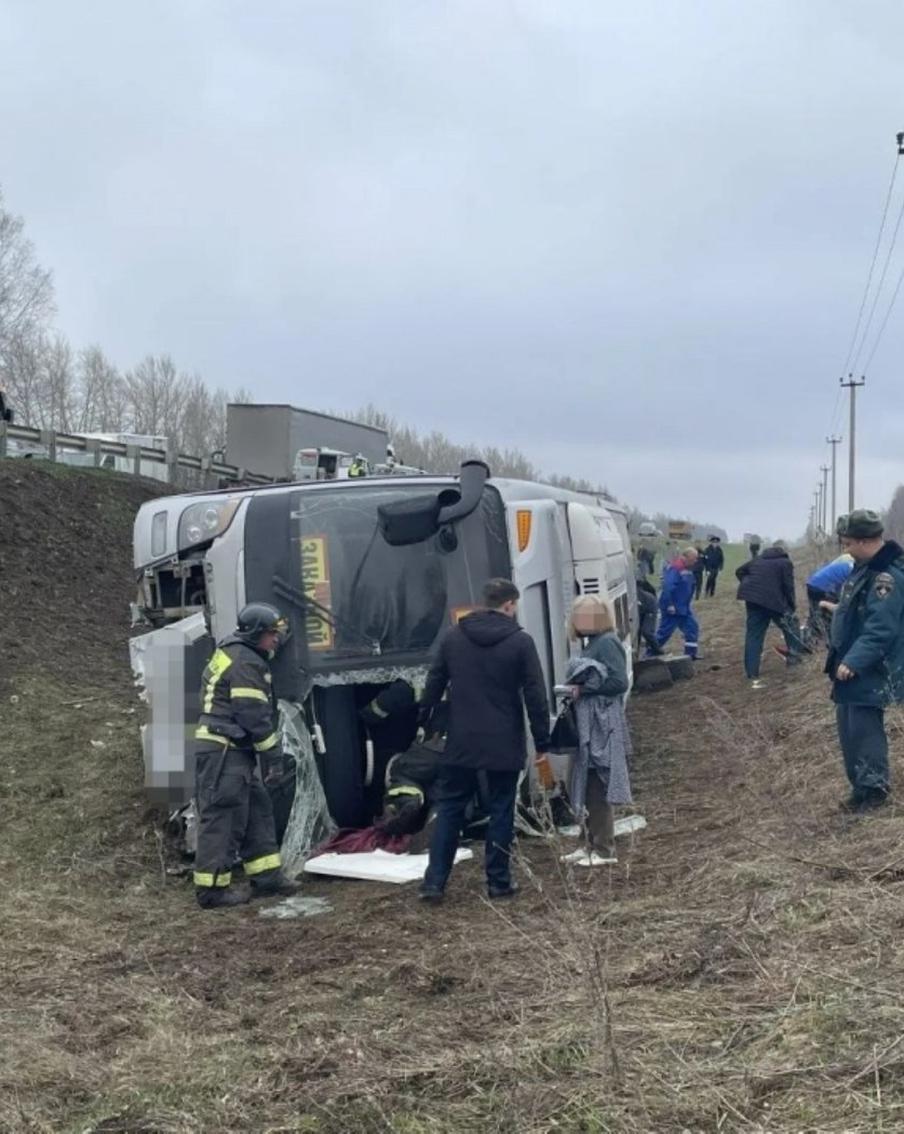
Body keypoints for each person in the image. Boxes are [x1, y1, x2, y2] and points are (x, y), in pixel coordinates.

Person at [417, 578, 551, 902]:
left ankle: (434, 883)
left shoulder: (453, 638)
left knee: (449, 808)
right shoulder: (520, 642)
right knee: (501, 808)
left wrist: (426, 721)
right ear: (509, 605)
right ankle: (498, 882)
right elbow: (535, 693)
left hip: (461, 738)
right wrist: (543, 739)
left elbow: (433, 683)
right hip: (504, 739)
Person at [192, 603, 300, 909]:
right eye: (270, 634)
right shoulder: (246, 663)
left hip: (230, 749)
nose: (275, 640)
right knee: (224, 816)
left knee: (256, 808)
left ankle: (266, 877)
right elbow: (253, 716)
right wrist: (274, 757)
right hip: (225, 751)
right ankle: (211, 890)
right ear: (255, 634)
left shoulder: (234, 652)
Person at [824, 510, 904, 811]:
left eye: (847, 543)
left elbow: (881, 629)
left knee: (864, 730)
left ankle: (873, 791)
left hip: (870, 669)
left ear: (862, 541)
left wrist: (854, 660)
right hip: (849, 667)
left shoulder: (886, 577)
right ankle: (859, 788)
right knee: (848, 729)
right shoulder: (864, 568)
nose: (845, 548)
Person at [561, 597, 632, 867]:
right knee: (585, 781)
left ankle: (603, 848)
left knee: (597, 782)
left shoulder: (607, 643)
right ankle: (587, 842)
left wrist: (584, 689)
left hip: (602, 723)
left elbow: (618, 682)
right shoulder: (593, 643)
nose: (580, 621)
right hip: (590, 721)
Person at [735, 542, 803, 689]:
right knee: (791, 626)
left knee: (754, 635)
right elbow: (788, 586)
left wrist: (749, 584)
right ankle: (794, 660)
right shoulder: (785, 563)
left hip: (753, 600)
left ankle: (751, 673)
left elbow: (739, 571)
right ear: (784, 551)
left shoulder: (758, 559)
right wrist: (792, 606)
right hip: (774, 601)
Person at [655, 547, 700, 658]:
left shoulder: (688, 568)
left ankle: (690, 655)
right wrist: (670, 604)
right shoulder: (675, 568)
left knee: (692, 628)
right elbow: (668, 587)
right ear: (685, 557)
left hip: (683, 607)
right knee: (664, 633)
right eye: (693, 559)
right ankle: (650, 653)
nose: (695, 561)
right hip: (673, 608)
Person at [804, 550, 854, 647]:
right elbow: (846, 592)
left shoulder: (846, 565)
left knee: (816, 613)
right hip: (820, 587)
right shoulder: (853, 570)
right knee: (828, 615)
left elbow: (840, 586)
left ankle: (811, 635)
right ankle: (830, 642)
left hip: (813, 583)